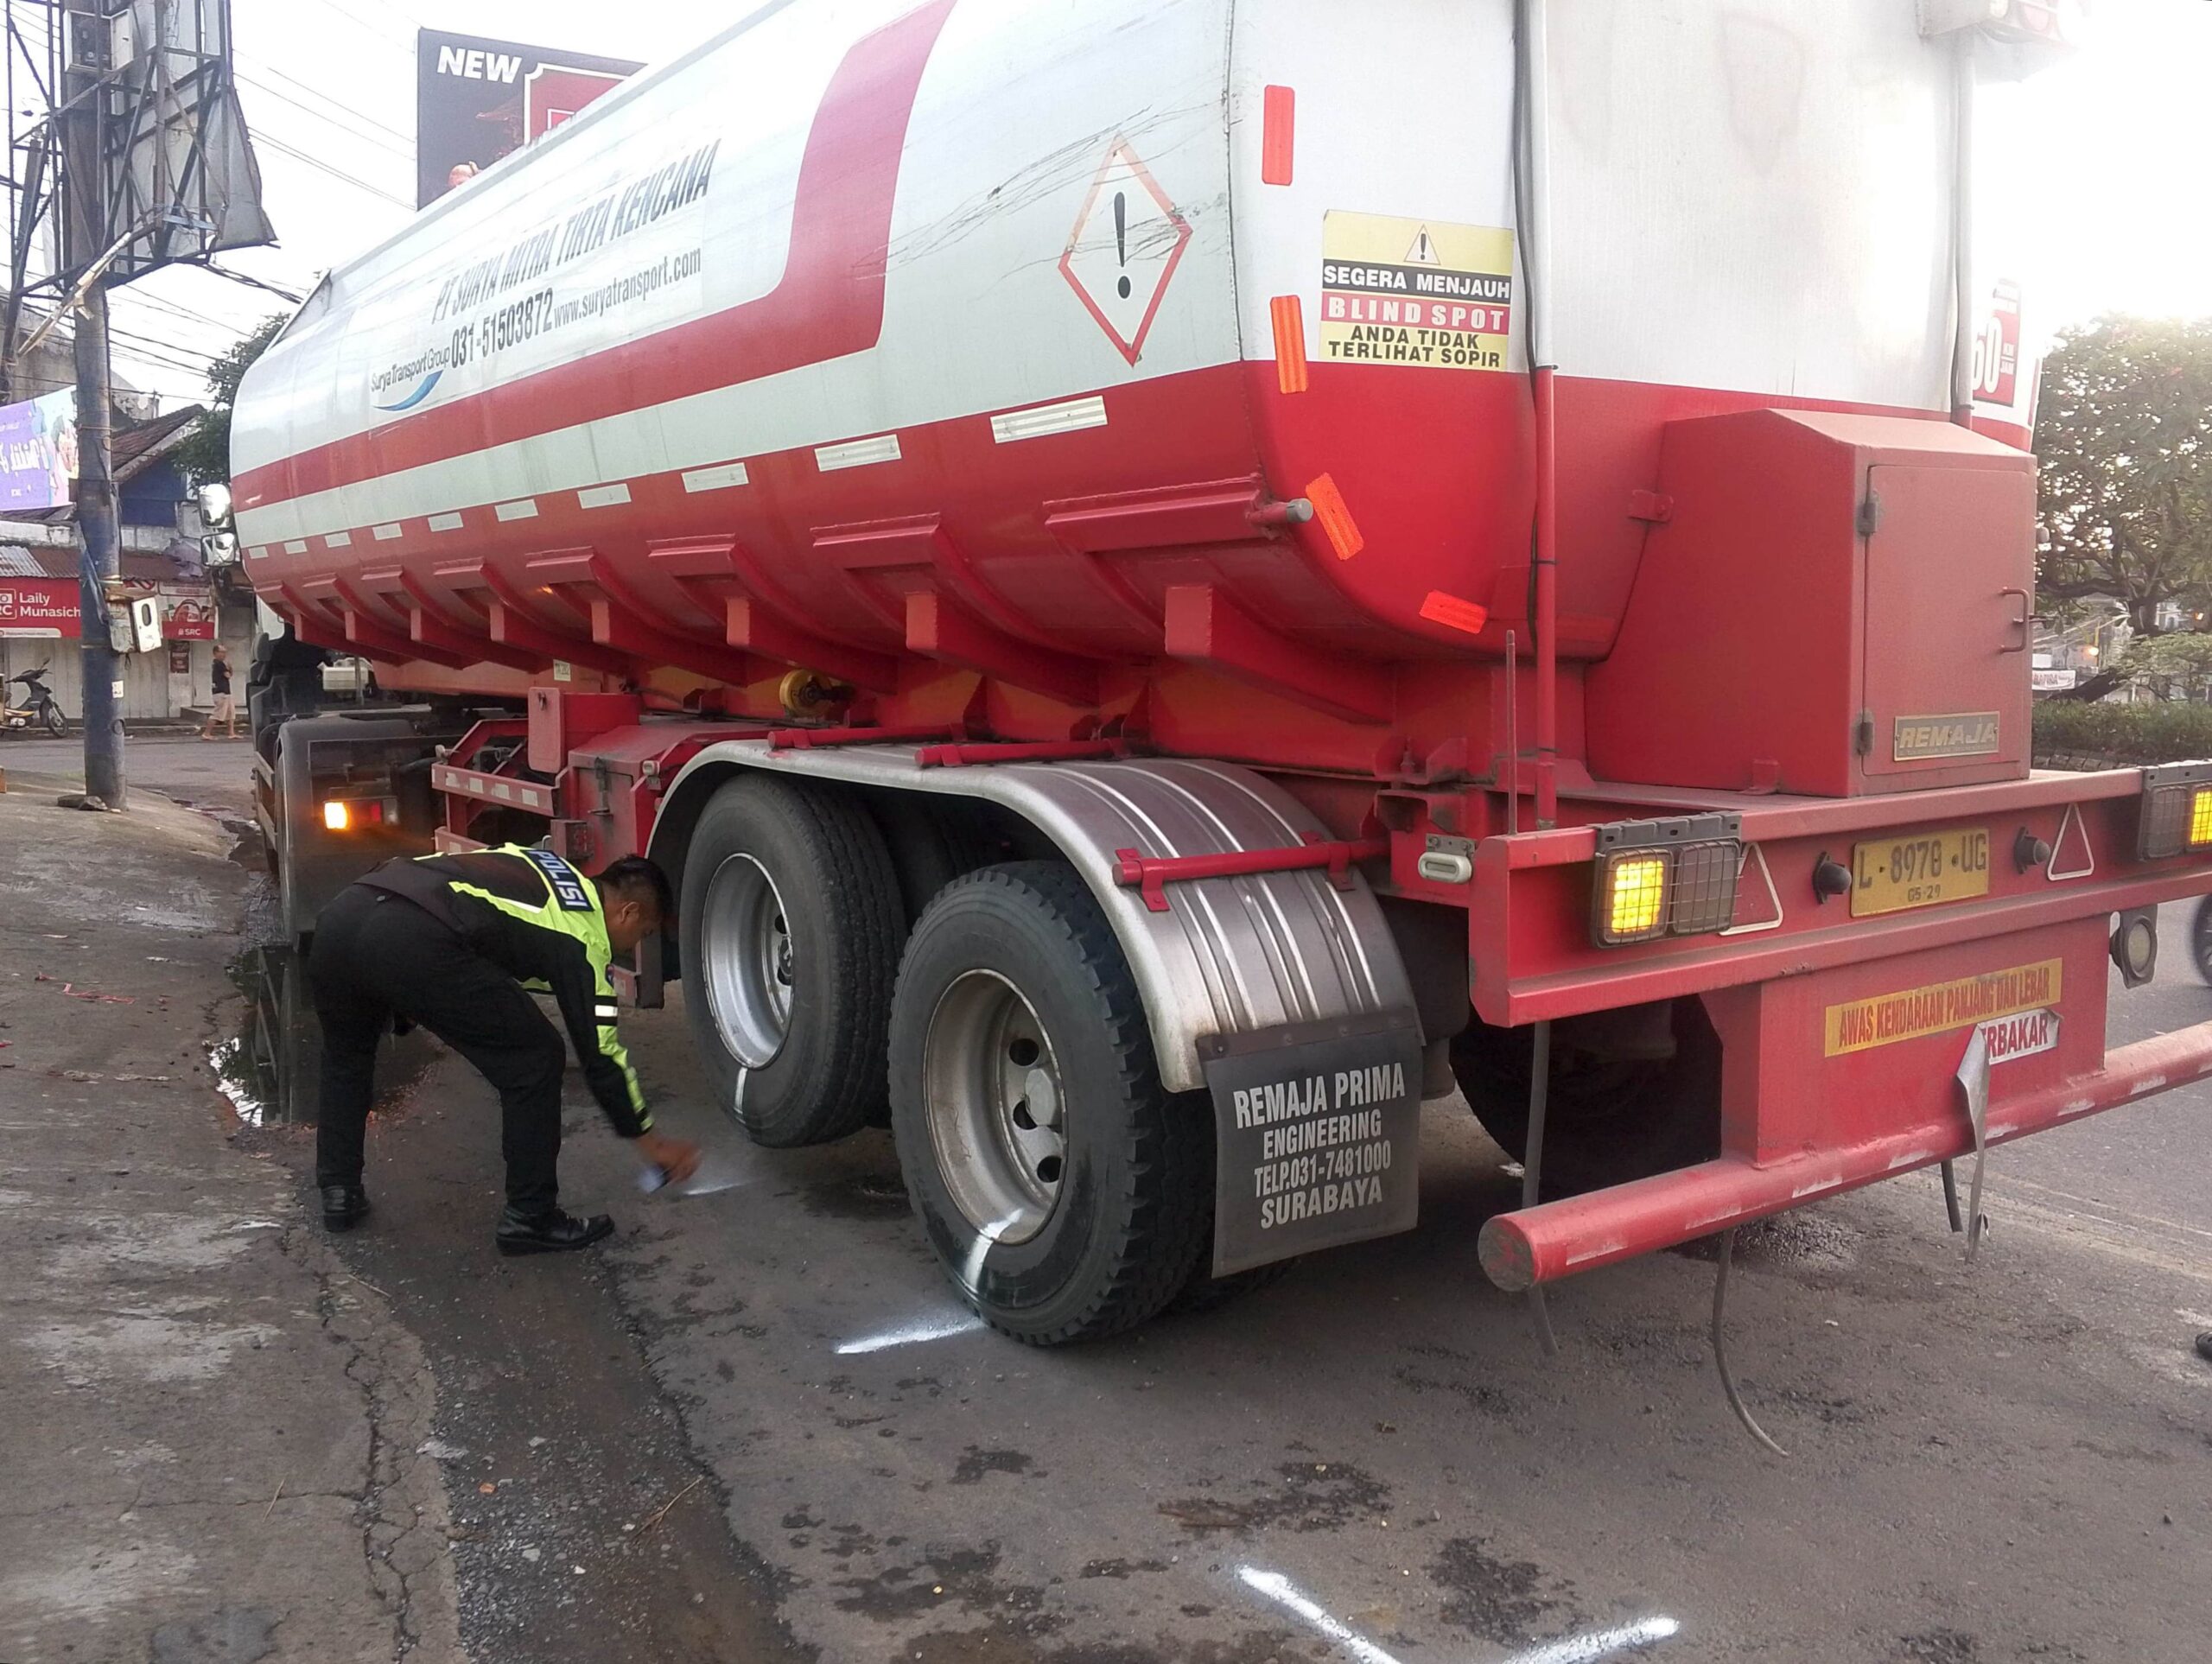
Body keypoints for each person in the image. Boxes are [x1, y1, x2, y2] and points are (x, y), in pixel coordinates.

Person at [309, 844, 701, 1254]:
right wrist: (654, 1145)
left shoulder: (549, 866)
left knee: (346, 1058)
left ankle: (339, 1192)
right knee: (536, 1058)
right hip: (413, 936)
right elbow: (601, 1057)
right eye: (643, 933)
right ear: (629, 912)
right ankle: (530, 1217)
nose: (635, 943)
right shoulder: (583, 933)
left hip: (344, 915)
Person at [199, 644, 236, 740]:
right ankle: (206, 733)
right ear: (215, 653)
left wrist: (229, 669)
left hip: (226, 692)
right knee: (218, 714)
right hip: (221, 692)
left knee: (230, 714)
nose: (224, 654)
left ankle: (231, 733)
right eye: (221, 652)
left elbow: (228, 675)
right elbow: (228, 675)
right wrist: (230, 668)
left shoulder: (219, 664)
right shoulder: (219, 664)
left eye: (225, 652)